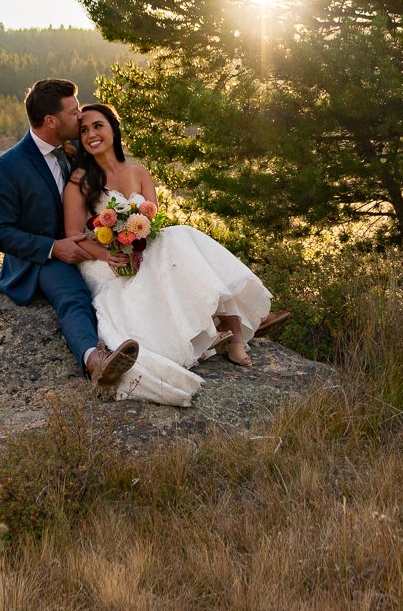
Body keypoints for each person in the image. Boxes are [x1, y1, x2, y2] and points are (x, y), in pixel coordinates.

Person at [62, 102, 288, 407]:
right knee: (170, 246)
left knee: (177, 236)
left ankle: (232, 332)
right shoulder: (79, 181)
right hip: (103, 260)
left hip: (143, 247)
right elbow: (74, 237)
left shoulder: (138, 171)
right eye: (84, 130)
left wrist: (137, 242)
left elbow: (152, 222)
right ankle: (208, 337)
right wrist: (109, 255)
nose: (91, 134)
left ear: (112, 128)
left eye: (97, 126)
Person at [0, 79, 139, 391]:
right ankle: (95, 361)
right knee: (73, 296)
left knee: (139, 273)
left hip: (93, 244)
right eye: (74, 112)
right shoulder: (6, 167)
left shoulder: (79, 147)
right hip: (43, 258)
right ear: (51, 121)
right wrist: (54, 248)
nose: (81, 117)